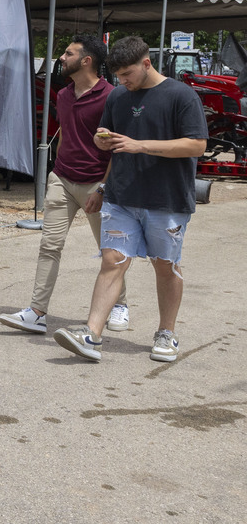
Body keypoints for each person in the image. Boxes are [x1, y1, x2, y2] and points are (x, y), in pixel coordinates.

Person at [54, 36, 207, 363]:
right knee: (112, 262)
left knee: (165, 267)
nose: (121, 82)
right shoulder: (119, 97)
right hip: (121, 197)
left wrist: (142, 145)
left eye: (127, 75)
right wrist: (101, 144)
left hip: (166, 201)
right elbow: (108, 139)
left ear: (146, 64)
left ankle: (166, 333)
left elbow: (196, 146)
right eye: (118, 76)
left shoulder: (181, 96)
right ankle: (91, 334)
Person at [0, 35, 131, 335]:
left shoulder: (113, 96)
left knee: (110, 251)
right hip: (62, 178)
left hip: (97, 183)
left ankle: (120, 305)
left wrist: (104, 188)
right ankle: (36, 312)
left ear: (86, 61)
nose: (61, 57)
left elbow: (119, 148)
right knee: (49, 246)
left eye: (68, 53)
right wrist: (55, 173)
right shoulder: (63, 94)